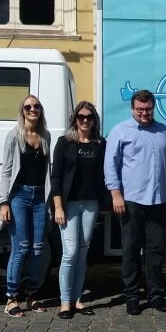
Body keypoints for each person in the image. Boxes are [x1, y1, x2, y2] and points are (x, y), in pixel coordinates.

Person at [104, 89, 166, 315]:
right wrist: (115, 194)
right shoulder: (120, 131)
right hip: (131, 200)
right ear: (132, 109)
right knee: (131, 250)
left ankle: (155, 295)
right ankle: (132, 296)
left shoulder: (163, 131)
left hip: (158, 200)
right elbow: (110, 165)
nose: (144, 113)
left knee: (156, 251)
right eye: (140, 109)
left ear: (154, 108)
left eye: (148, 109)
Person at [50, 101, 105, 319]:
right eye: (81, 117)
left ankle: (77, 299)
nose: (85, 120)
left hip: (91, 204)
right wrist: (57, 206)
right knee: (70, 252)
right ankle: (65, 302)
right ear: (75, 119)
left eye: (89, 117)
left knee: (82, 253)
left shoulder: (100, 143)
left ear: (94, 120)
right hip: (69, 205)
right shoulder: (64, 143)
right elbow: (57, 176)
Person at [0, 95, 52, 317]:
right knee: (20, 246)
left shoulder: (45, 136)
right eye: (28, 106)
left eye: (36, 106)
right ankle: (11, 298)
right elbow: (6, 170)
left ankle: (31, 294)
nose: (33, 109)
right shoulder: (14, 136)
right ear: (22, 111)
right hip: (19, 195)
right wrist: (4, 202)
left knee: (38, 247)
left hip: (40, 196)